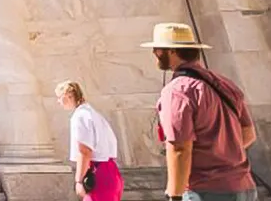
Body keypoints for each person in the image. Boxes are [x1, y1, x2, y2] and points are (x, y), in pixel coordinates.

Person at [143, 22, 257, 201]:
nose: (154, 54)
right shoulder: (225, 83)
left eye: (157, 48)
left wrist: (174, 195)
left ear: (172, 51)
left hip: (205, 190)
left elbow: (180, 148)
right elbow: (248, 133)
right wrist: (220, 154)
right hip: (244, 187)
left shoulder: (177, 91)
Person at [55, 80, 123, 201]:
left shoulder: (80, 116)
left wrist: (79, 181)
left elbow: (85, 151)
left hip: (97, 173)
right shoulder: (93, 114)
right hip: (110, 171)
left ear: (69, 96)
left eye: (60, 97)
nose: (58, 101)